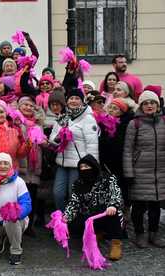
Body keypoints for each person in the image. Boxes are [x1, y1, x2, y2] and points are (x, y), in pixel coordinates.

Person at [123, 91, 165, 248]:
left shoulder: (163, 122)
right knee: (139, 207)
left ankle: (154, 234)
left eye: (152, 103)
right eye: (146, 103)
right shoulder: (134, 124)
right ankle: (140, 234)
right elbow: (127, 150)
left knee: (155, 206)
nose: (149, 105)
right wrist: (128, 173)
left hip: (159, 172)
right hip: (139, 171)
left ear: (157, 105)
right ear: (141, 106)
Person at [63, 154, 124, 261]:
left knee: (115, 214)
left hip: (107, 211)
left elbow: (116, 193)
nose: (83, 169)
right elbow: (74, 201)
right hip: (89, 214)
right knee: (75, 223)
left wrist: (112, 205)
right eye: (81, 167)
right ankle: (96, 233)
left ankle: (116, 243)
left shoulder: (108, 178)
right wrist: (67, 215)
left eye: (86, 166)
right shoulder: (78, 184)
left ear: (94, 166)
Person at [49, 88, 99, 211]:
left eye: (77, 98)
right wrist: (59, 137)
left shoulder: (88, 118)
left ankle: (74, 222)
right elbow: (52, 139)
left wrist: (91, 165)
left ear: (82, 101)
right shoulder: (63, 118)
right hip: (62, 163)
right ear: (67, 101)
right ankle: (61, 221)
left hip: (79, 164)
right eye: (71, 98)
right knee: (58, 194)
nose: (74, 101)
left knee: (74, 194)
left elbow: (92, 144)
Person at [17, 96, 46, 236]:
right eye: (25, 105)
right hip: (22, 162)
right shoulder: (16, 122)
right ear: (19, 107)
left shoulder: (38, 124)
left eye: (30, 105)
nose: (28, 107)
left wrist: (44, 142)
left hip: (34, 165)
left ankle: (30, 225)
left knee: (32, 195)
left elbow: (43, 141)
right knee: (21, 195)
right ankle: (19, 224)